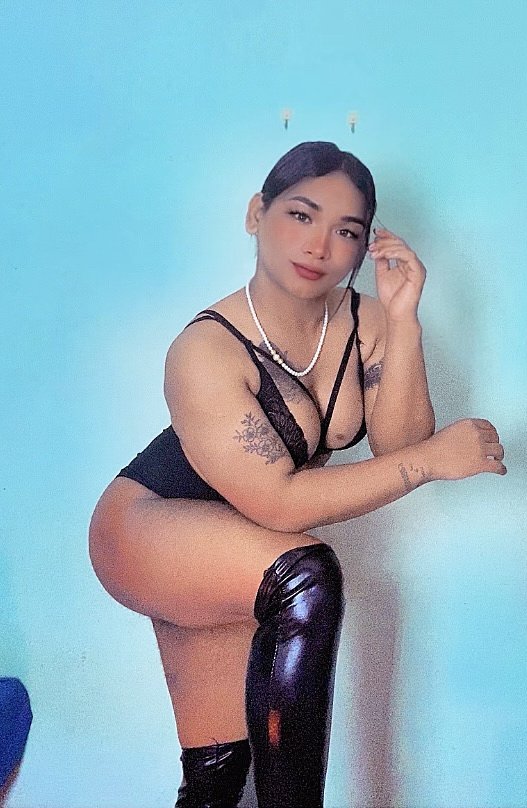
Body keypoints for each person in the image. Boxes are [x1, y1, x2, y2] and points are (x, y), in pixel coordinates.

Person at [88, 141, 506, 808]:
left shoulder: (364, 320)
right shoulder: (204, 350)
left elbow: (398, 441)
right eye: (301, 215)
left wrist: (404, 319)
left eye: (347, 230)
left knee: (218, 779)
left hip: (231, 537)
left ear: (364, 245)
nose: (319, 245)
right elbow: (281, 503)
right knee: (304, 578)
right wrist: (428, 463)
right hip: (147, 528)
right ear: (257, 214)